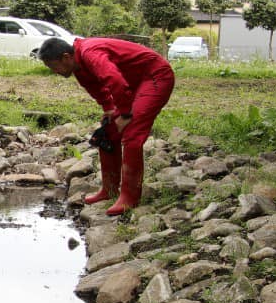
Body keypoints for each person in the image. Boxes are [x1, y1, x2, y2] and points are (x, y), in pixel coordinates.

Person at [37, 36, 175, 215]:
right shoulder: (78, 66)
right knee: (107, 132)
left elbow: (113, 78)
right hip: (133, 83)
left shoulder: (90, 53)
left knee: (132, 134)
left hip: (155, 76)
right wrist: (110, 110)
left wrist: (125, 113)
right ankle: (109, 191)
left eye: (53, 66)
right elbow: (97, 89)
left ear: (66, 57)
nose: (54, 71)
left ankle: (129, 197)